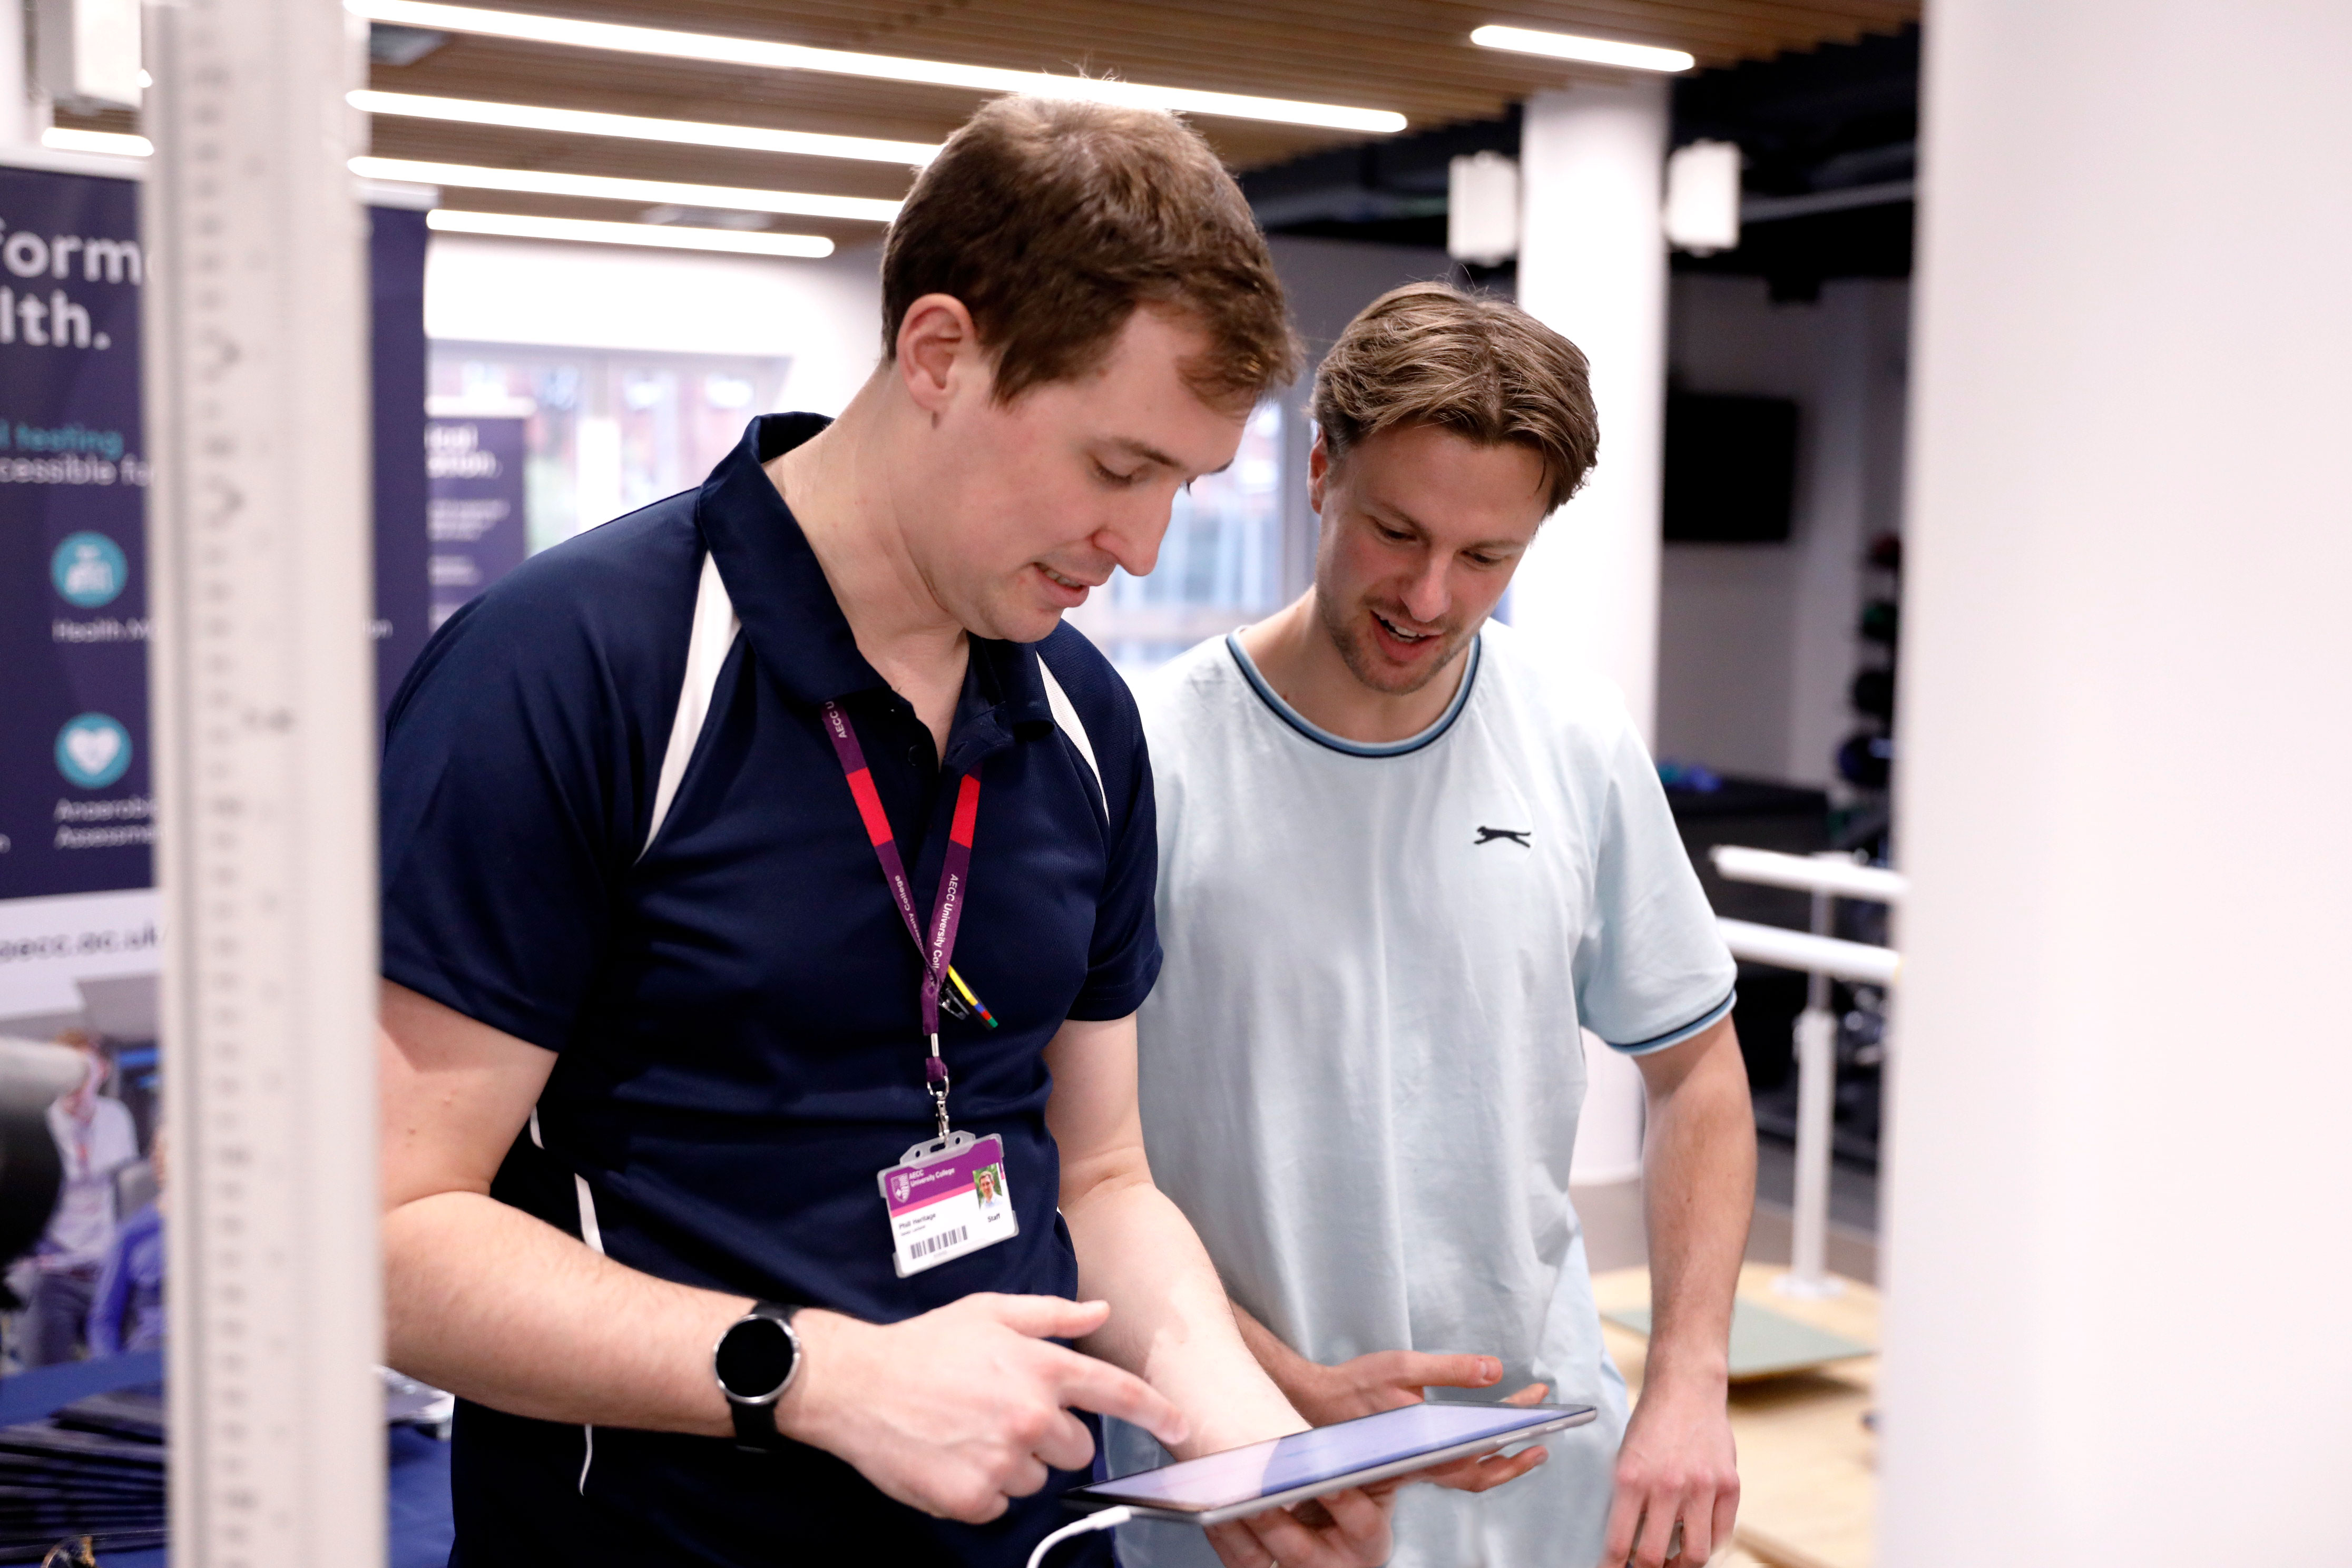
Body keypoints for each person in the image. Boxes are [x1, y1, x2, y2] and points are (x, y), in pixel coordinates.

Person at [376, 97, 1399, 1568]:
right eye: (1117, 470)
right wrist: (818, 1377)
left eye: (1183, 485)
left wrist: (1240, 1432)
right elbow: (388, 1229)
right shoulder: (578, 669)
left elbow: (1102, 1174)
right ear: (939, 353)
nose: (1148, 546)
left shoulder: (1087, 725)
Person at [1114, 284, 1755, 1568]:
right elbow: (1075, 1167)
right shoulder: (1141, 755)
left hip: (1531, 1475)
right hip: (1246, 1474)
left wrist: (1689, 1376)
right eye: (1393, 533)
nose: (1427, 593)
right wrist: (1272, 1383)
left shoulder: (1571, 740)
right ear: (1315, 468)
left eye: (1485, 558)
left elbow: (1696, 1076)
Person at [26, 1031, 139, 1366]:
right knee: (44, 1388)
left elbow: (125, 1193)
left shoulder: (117, 1118)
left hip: (109, 1274)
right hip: (54, 1278)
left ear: (102, 1071)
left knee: (124, 1387)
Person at [89, 1126, 164, 1357]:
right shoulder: (132, 1235)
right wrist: (115, 1381)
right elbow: (104, 1322)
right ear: (158, 1162)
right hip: (153, 1358)